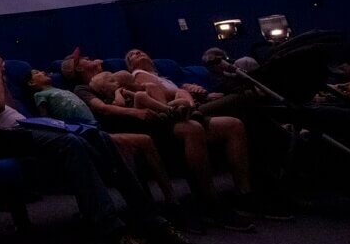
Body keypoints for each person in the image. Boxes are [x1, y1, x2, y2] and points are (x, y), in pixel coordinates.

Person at [0, 52, 208, 244]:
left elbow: (6, 103)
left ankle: (154, 224)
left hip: (29, 127)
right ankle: (114, 237)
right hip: (8, 138)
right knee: (72, 143)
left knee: (99, 136)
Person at [63, 48, 255, 230]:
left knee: (233, 124)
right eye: (84, 59)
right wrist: (136, 112)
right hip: (140, 124)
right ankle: (211, 202)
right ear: (79, 68)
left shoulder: (117, 75)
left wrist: (182, 94)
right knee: (193, 128)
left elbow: (154, 90)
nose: (89, 57)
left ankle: (244, 194)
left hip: (162, 113)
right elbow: (102, 108)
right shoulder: (83, 88)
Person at [25, 70, 176, 205]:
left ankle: (170, 199)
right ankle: (147, 205)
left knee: (146, 140)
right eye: (37, 73)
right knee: (139, 142)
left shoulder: (62, 90)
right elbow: (47, 119)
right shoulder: (40, 95)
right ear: (31, 83)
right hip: (81, 134)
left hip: (97, 130)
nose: (43, 72)